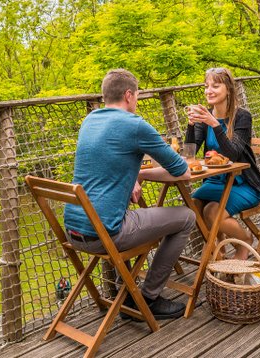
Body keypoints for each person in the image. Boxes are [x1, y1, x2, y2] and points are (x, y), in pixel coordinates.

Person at [64, 68, 195, 319]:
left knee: (135, 213)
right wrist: (142, 174)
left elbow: (106, 164)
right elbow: (182, 171)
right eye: (136, 95)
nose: (136, 100)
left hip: (74, 231)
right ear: (128, 95)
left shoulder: (90, 120)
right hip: (105, 234)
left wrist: (136, 174)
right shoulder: (135, 125)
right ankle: (147, 298)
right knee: (186, 216)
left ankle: (132, 294)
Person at [186, 67, 260, 260]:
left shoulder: (242, 116)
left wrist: (214, 123)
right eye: (206, 86)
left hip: (244, 184)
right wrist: (190, 124)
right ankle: (219, 250)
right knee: (193, 206)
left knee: (212, 210)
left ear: (228, 89)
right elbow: (190, 153)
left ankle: (245, 241)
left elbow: (234, 152)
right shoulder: (204, 119)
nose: (208, 91)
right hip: (215, 182)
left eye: (215, 85)